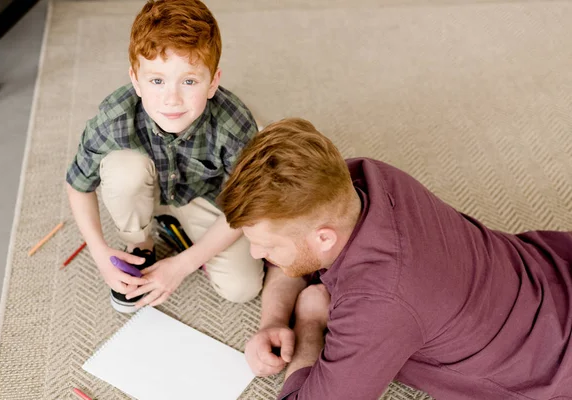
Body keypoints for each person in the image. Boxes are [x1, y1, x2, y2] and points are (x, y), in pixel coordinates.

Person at [217, 117, 572, 400]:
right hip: (554, 270)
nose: (255, 254)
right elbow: (303, 255)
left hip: (551, 370)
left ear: (324, 237)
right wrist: (273, 320)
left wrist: (309, 323)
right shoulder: (365, 176)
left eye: (268, 246)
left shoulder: (379, 304)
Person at [65, 0, 265, 313]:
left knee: (243, 288)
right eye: (157, 81)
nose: (171, 99)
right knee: (122, 169)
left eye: (189, 81)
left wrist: (183, 264)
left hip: (204, 196)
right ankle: (141, 241)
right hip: (147, 183)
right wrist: (99, 252)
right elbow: (78, 185)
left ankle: (179, 222)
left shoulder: (233, 124)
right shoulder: (116, 114)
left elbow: (247, 206)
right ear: (135, 79)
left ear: (213, 82)